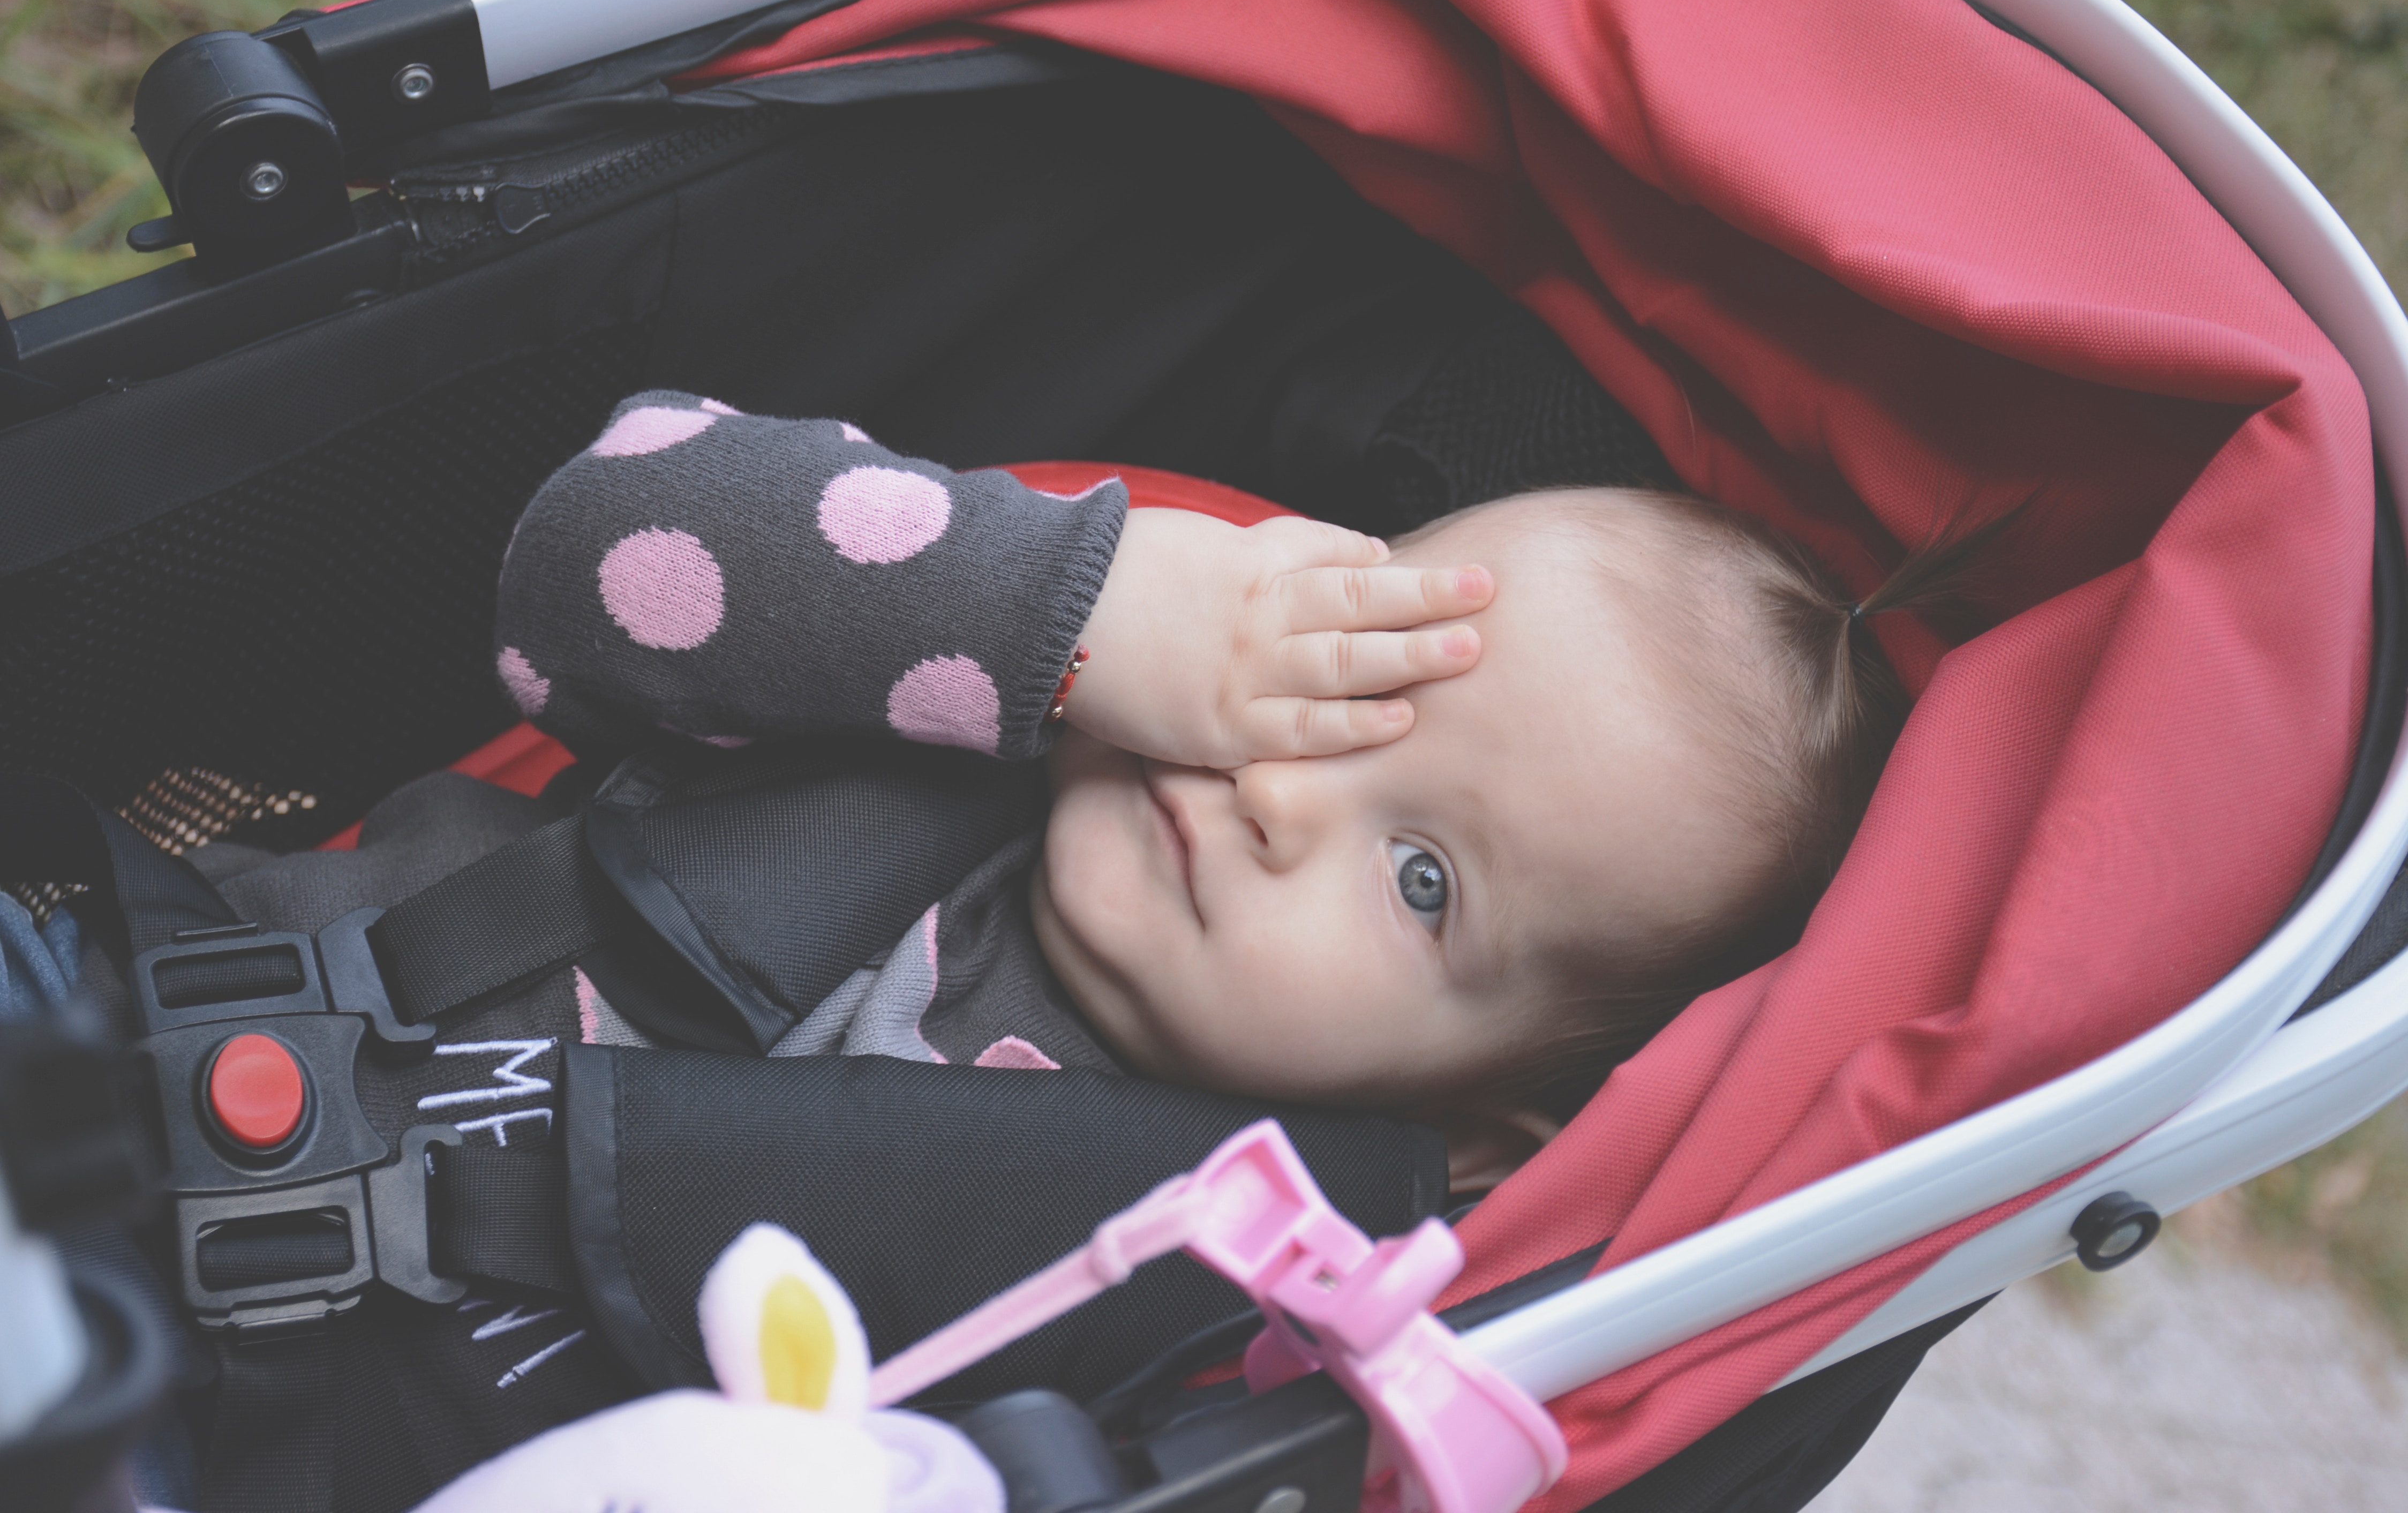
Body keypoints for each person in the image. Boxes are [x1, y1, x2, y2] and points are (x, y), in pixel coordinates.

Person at [491, 391, 1960, 1173]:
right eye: (1339, 693)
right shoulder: (943, 694)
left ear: (1459, 1145)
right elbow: (590, 544)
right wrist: (1070, 614)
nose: (1279, 792)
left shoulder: (1190, 1270)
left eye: (1423, 878)